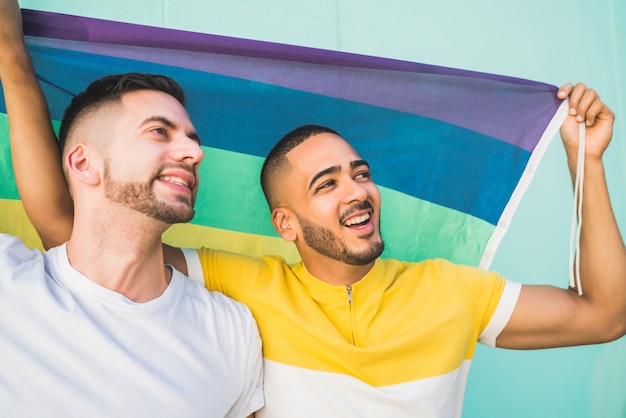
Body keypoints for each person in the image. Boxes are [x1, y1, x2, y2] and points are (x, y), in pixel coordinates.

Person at [4, 3, 626, 418]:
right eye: (326, 183)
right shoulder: (246, 292)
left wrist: (585, 162)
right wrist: (12, 57)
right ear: (286, 224)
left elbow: (605, 314)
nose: (356, 190)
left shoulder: (449, 290)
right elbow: (77, 226)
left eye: (361, 174)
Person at [0, 2, 264, 417]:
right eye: (160, 131)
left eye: (193, 139)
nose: (195, 152)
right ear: (84, 163)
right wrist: (10, 55)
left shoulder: (231, 330)